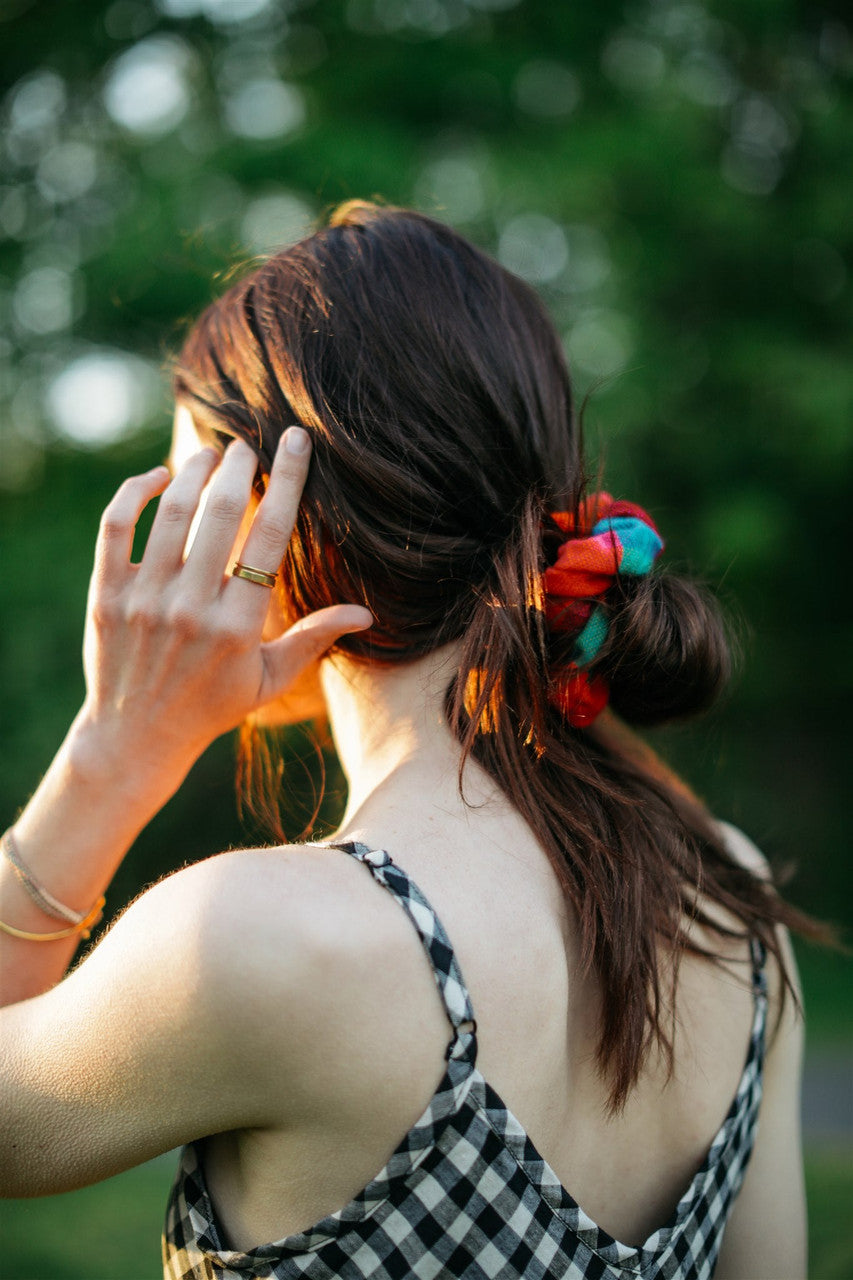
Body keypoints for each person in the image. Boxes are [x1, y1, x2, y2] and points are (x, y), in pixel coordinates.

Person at [0, 202, 820, 1280]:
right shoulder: (729, 895)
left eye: (196, 503)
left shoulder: (266, 938)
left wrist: (111, 755)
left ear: (273, 522)